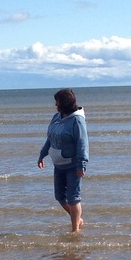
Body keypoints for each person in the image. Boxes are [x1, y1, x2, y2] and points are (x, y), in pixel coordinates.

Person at [37, 88, 89, 232]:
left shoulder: (77, 120)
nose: (55, 105)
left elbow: (82, 143)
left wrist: (82, 164)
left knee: (73, 198)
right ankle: (78, 219)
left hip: (72, 166)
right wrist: (42, 155)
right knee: (59, 196)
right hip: (58, 165)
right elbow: (50, 138)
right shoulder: (56, 117)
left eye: (57, 102)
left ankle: (75, 229)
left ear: (64, 103)